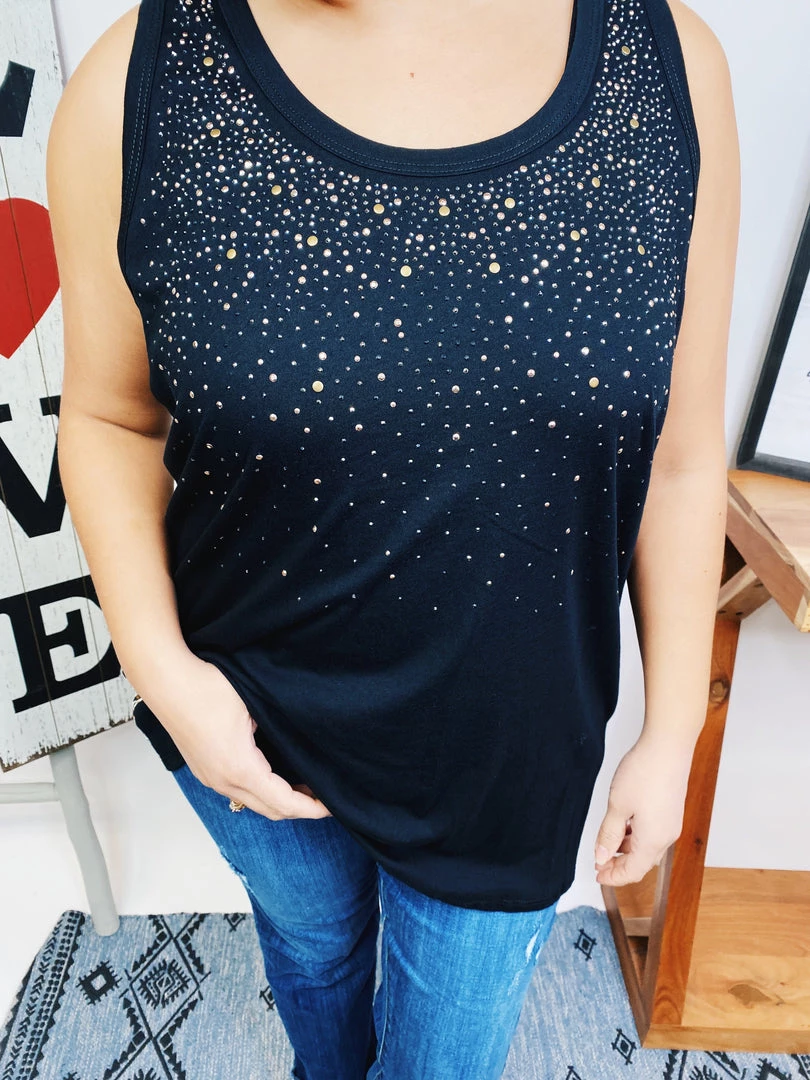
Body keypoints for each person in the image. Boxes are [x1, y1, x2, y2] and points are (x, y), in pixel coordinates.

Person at [46, 0, 740, 1075]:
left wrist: (675, 727)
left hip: (510, 751)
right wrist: (166, 676)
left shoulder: (668, 70)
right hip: (249, 707)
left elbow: (684, 455)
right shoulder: (137, 79)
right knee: (314, 956)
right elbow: (108, 417)